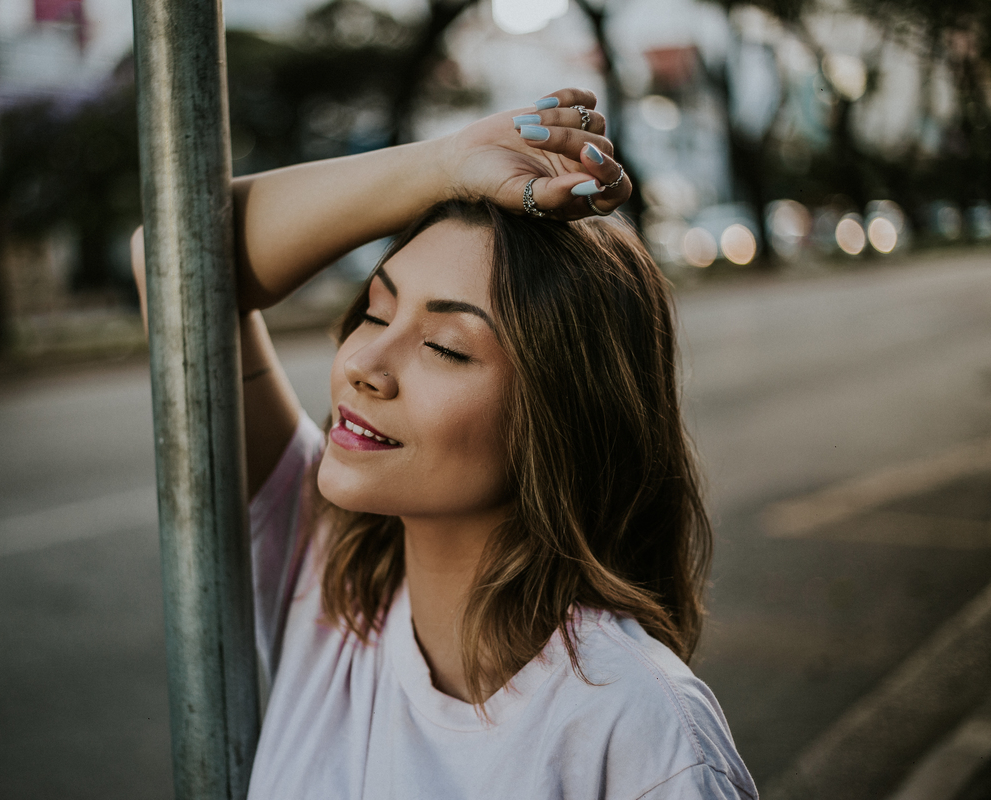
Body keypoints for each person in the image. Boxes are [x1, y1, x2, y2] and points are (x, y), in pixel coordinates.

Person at [132, 88, 757, 799]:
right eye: (375, 311)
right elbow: (172, 259)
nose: (364, 366)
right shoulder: (333, 584)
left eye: (444, 347)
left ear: (560, 415)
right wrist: (445, 164)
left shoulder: (640, 729)